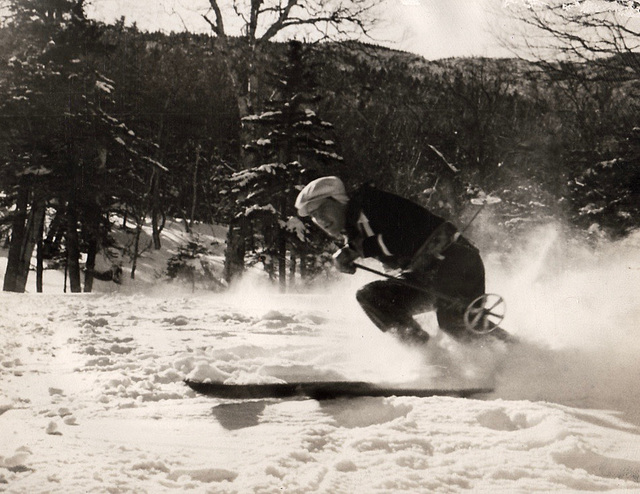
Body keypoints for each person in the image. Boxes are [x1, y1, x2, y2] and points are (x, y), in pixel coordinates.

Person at [295, 176, 506, 345]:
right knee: (373, 297)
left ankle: (516, 358)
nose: (319, 219)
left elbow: (405, 237)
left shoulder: (371, 204)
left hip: (456, 260)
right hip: (427, 272)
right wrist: (353, 251)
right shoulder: (355, 227)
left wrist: (358, 250)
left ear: (339, 200)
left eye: (322, 209)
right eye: (313, 215)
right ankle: (428, 356)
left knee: (456, 323)